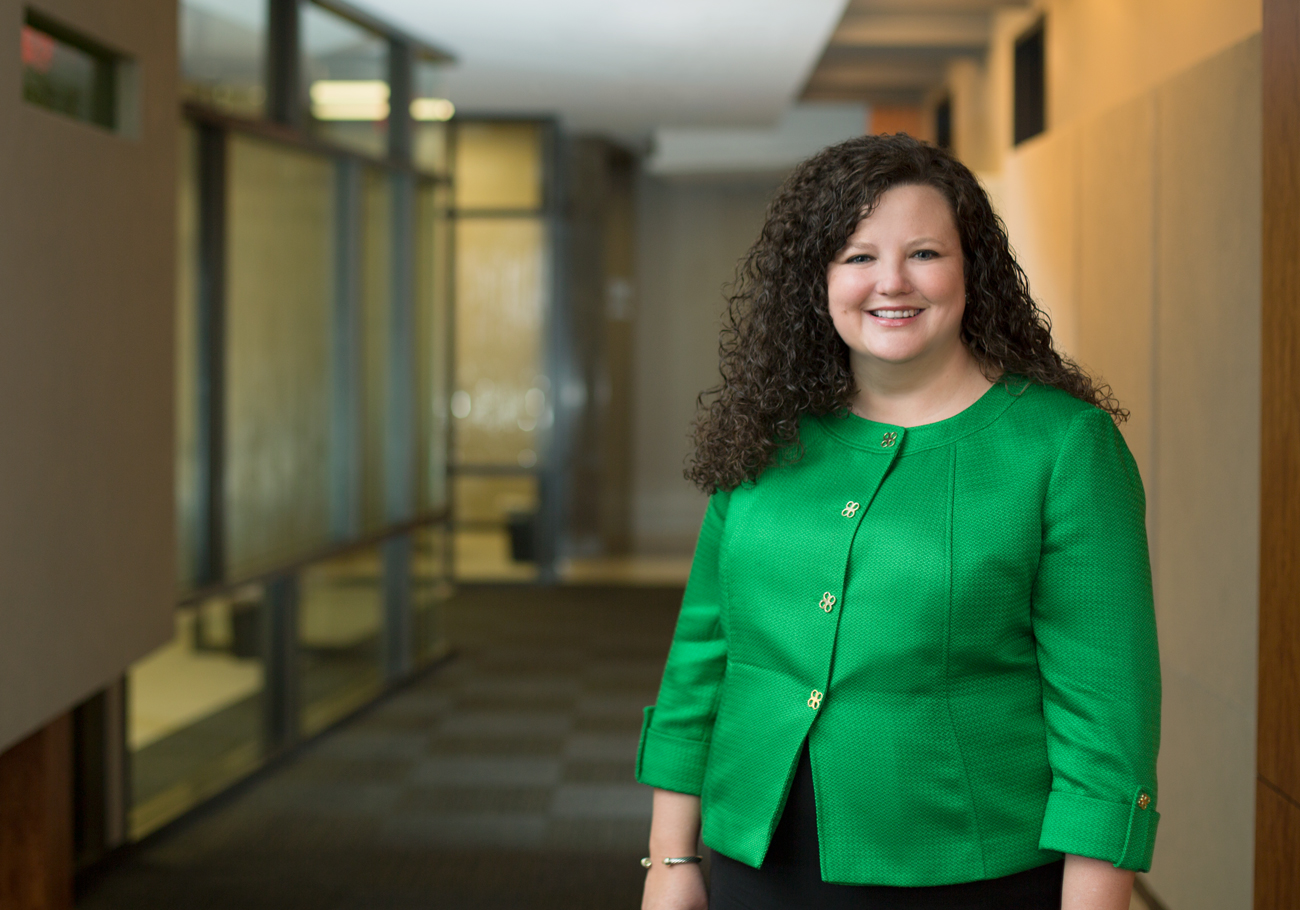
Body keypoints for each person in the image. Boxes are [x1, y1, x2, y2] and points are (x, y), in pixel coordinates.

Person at [636, 134, 1160, 910]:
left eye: (923, 253)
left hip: (963, 870)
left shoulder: (1062, 447)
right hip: (756, 856)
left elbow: (1105, 724)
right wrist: (671, 862)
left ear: (970, 269)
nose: (890, 282)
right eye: (856, 257)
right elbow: (703, 660)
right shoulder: (768, 436)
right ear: (816, 281)